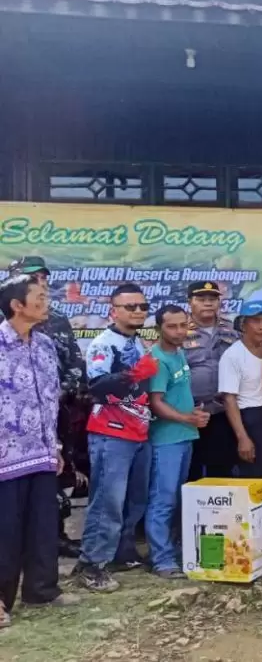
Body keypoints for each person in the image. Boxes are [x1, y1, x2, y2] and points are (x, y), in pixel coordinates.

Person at [0, 275, 80, 628]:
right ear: (17, 305)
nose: (46, 302)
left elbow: (49, 398)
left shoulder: (46, 345)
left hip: (43, 452)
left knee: (44, 526)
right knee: (5, 531)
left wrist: (57, 445)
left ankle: (42, 590)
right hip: (4, 457)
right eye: (39, 296)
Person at [75, 283, 157, 593]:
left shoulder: (139, 342)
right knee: (107, 502)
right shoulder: (103, 343)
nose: (138, 311)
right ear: (113, 311)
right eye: (130, 307)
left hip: (139, 431)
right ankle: (91, 565)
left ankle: (121, 553)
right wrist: (134, 374)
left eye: (142, 306)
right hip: (111, 434)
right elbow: (96, 387)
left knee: (135, 500)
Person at [8, 256, 88, 559]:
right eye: (32, 277)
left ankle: (54, 536)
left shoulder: (56, 319)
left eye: (43, 276)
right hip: (11, 420)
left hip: (54, 412)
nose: (40, 281)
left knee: (55, 474)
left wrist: (57, 395)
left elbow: (75, 364)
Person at [147, 305, 210, 579]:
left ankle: (172, 552)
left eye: (183, 325)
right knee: (163, 500)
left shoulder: (179, 352)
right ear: (159, 328)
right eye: (172, 327)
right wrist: (187, 418)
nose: (179, 331)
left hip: (184, 437)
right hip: (166, 440)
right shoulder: (157, 359)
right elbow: (156, 404)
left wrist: (192, 414)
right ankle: (161, 560)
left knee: (176, 498)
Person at [218, 300, 262, 554]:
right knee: (253, 480)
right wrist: (243, 437)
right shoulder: (233, 355)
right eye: (256, 321)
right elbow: (229, 399)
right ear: (243, 325)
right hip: (250, 418)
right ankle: (251, 542)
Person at [183, 281, 239, 480]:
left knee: (222, 471)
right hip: (190, 413)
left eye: (213, 299)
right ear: (190, 302)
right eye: (201, 299)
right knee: (191, 473)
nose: (208, 303)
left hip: (224, 412)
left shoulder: (232, 330)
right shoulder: (179, 331)